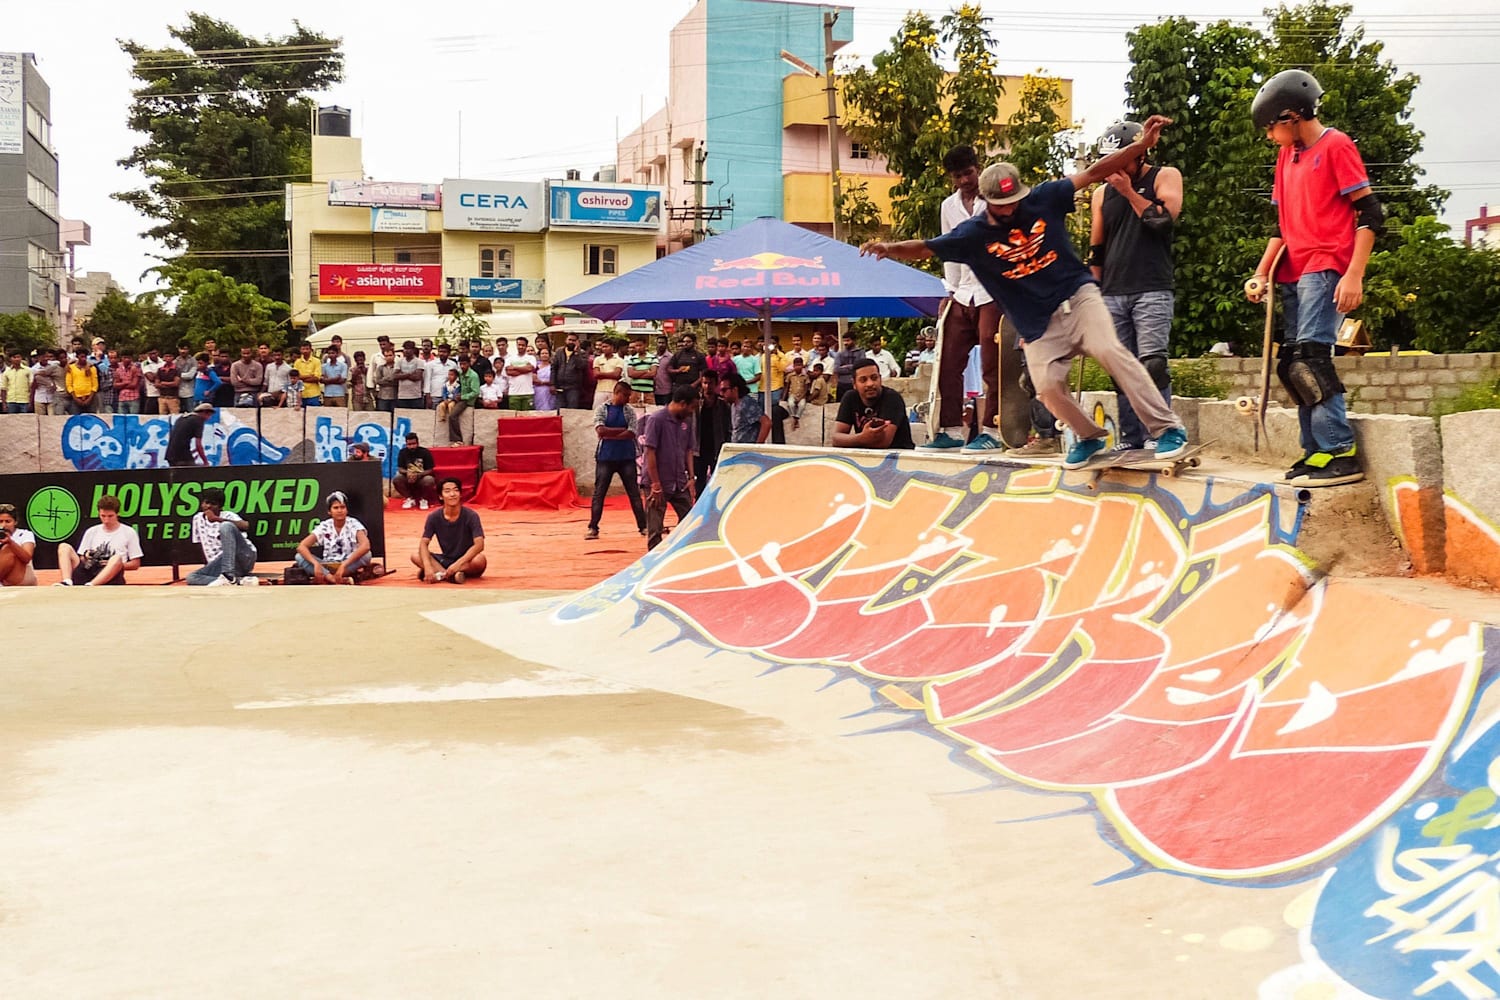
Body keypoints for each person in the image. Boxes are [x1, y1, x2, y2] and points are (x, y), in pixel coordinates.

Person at [860, 115, 1190, 470]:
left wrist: (1140, 146)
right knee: (1046, 386)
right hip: (1037, 323)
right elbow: (927, 247)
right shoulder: (972, 234)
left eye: (1015, 201)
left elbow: (1094, 173)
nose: (1011, 210)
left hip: (1078, 299)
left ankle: (1168, 429)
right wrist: (889, 248)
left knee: (1113, 352)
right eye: (1001, 206)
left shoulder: (1044, 197)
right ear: (987, 202)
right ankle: (1090, 436)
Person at [1247, 69, 1378, 487]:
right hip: (1293, 268)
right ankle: (1316, 451)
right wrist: (1261, 272)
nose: (1270, 137)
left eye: (1272, 127)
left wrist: (1354, 274)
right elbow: (1280, 226)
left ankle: (1340, 451)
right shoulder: (1288, 156)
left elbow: (1372, 213)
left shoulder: (1336, 146)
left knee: (1313, 359)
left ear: (1291, 115)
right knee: (1291, 365)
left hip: (1325, 265)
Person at [1090, 120, 1184, 452]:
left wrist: (1129, 192)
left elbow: (1162, 220)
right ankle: (1131, 437)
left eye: (1120, 159)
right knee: (1120, 368)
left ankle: (1162, 433)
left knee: (1152, 363)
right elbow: (1097, 248)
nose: (1114, 167)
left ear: (1138, 155)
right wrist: (1093, 292)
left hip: (1151, 285)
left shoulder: (1164, 176)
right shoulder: (1101, 193)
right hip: (1113, 289)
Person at [926, 144, 1006, 452]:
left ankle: (993, 431)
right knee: (948, 359)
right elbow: (949, 249)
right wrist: (949, 290)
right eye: (957, 176)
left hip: (993, 290)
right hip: (963, 291)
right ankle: (950, 430)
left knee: (992, 362)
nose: (964, 181)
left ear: (979, 167)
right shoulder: (948, 206)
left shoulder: (998, 197)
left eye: (968, 173)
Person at [586, 380, 649, 540]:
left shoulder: (627, 410)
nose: (628, 399)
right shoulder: (602, 409)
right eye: (626, 395)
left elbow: (631, 433)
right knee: (600, 493)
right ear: (617, 393)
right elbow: (602, 431)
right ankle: (593, 527)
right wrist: (621, 432)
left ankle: (643, 526)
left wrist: (610, 434)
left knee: (633, 494)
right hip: (609, 457)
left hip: (622, 457)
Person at [641, 385, 698, 551]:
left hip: (679, 481)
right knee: (655, 528)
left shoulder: (686, 422)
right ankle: (655, 563)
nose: (692, 411)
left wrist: (691, 478)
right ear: (682, 403)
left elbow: (689, 450)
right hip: (658, 481)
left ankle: (679, 553)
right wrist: (655, 484)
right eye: (692, 407)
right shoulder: (656, 420)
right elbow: (650, 452)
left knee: (690, 520)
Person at [54, 494, 142, 586]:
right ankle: (67, 581)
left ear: (118, 513)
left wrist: (114, 564)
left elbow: (135, 564)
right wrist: (87, 555)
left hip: (111, 573)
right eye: (103, 516)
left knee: (117, 558)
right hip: (89, 569)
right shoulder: (92, 531)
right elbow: (82, 559)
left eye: (110, 516)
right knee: (64, 547)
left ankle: (92, 584)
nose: (106, 520)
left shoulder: (129, 532)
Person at [412, 477, 487, 583]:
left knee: (480, 560)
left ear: (460, 494)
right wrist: (428, 566)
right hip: (446, 559)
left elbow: (479, 545)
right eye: (447, 491)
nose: (452, 494)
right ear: (440, 496)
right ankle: (448, 575)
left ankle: (440, 574)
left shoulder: (471, 515)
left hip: (467, 561)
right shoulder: (433, 517)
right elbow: (424, 543)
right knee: (415, 556)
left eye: (456, 490)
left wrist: (458, 564)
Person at [832, 358, 915, 450]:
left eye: (874, 378)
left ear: (880, 378)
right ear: (854, 383)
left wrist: (856, 440)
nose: (870, 383)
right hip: (866, 457)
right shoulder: (850, 398)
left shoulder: (892, 398)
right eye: (863, 380)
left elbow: (882, 442)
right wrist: (862, 438)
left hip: (898, 457)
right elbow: (836, 439)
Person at [295, 491, 371, 585]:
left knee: (367, 555)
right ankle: (331, 578)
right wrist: (315, 564)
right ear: (329, 511)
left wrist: (344, 564)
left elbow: (366, 546)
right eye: (336, 508)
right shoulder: (325, 526)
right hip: (327, 565)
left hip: (347, 564)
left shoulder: (354, 524)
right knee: (299, 557)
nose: (339, 510)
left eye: (342, 507)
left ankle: (330, 578)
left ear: (347, 510)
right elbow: (301, 546)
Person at [186, 486, 258, 586]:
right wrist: (208, 567)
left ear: (220, 506)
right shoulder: (197, 519)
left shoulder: (227, 515)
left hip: (243, 557)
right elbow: (199, 545)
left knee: (226, 526)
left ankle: (228, 575)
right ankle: (238, 581)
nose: (209, 506)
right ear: (202, 504)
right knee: (192, 578)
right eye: (206, 503)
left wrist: (217, 519)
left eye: (213, 504)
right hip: (219, 562)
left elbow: (246, 525)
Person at [694, 371, 731, 495]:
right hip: (699, 447)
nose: (707, 386)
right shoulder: (696, 403)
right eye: (705, 383)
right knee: (699, 480)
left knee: (717, 480)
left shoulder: (723, 404)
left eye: (710, 383)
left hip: (717, 446)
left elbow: (728, 426)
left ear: (716, 384)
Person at [720, 370, 769, 445]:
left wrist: (758, 447)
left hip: (748, 451)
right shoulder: (733, 405)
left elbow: (766, 422)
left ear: (735, 389)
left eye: (724, 390)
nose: (721, 393)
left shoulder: (747, 403)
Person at [394, 432, 437, 510]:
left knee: (429, 480)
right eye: (409, 444)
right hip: (408, 477)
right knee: (397, 479)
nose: (412, 446)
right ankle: (409, 498)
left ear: (417, 443)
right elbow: (400, 468)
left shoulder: (425, 452)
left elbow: (430, 469)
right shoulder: (403, 452)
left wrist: (418, 475)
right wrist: (408, 473)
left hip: (422, 477)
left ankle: (423, 499)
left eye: (414, 444)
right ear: (406, 444)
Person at [166, 401, 215, 467]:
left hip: (170, 454)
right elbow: (198, 445)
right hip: (183, 456)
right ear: (205, 413)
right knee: (194, 474)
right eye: (209, 415)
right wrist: (205, 462)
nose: (209, 418)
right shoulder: (198, 420)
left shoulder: (182, 417)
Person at [0, 502, 37, 587]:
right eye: (0, 521)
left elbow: (27, 557)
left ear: (15, 522)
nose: (4, 525)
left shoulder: (26, 534)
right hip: (3, 578)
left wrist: (10, 542)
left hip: (23, 576)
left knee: (8, 549)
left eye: (8, 521)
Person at [448, 354, 481, 443]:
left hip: (466, 400)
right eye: (461, 364)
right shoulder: (460, 373)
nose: (462, 366)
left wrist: (462, 397)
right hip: (459, 397)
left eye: (464, 364)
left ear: (469, 364)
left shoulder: (473, 376)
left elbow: (476, 392)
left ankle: (457, 439)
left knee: (452, 416)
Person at [552, 333, 590, 409]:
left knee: (572, 410)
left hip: (573, 388)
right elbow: (553, 368)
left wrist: (576, 353)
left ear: (577, 342)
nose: (571, 342)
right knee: (559, 410)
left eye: (574, 340)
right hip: (559, 386)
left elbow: (581, 366)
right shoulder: (559, 351)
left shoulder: (582, 353)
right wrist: (552, 384)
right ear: (566, 340)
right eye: (569, 340)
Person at [504, 337, 536, 410]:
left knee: (527, 416)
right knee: (515, 417)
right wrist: (524, 369)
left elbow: (530, 368)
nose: (520, 347)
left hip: (528, 392)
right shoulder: (510, 359)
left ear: (526, 346)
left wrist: (514, 367)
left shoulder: (531, 358)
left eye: (523, 345)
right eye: (519, 345)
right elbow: (509, 372)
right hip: (514, 393)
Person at [592, 339, 626, 407]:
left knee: (613, 410)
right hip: (600, 390)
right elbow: (596, 374)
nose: (604, 349)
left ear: (612, 347)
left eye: (606, 346)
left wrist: (601, 374)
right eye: (603, 347)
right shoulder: (597, 359)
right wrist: (611, 374)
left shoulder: (619, 360)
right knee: (597, 410)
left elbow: (617, 375)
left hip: (613, 390)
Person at [623, 337, 656, 406]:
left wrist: (637, 373)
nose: (638, 348)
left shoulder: (653, 358)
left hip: (648, 391)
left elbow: (653, 373)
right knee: (634, 412)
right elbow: (631, 374)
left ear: (645, 345)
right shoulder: (632, 359)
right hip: (635, 391)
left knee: (650, 411)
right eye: (636, 346)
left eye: (640, 345)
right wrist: (646, 371)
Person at [832, 332, 865, 400]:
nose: (845, 343)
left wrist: (846, 366)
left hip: (856, 384)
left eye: (848, 340)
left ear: (854, 340)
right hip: (842, 384)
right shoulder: (840, 354)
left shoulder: (860, 352)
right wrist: (853, 367)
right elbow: (836, 369)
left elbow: (861, 366)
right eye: (844, 341)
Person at [65, 347, 98, 414]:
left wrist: (89, 399)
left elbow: (95, 385)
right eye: (82, 356)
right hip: (76, 398)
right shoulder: (71, 368)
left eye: (85, 356)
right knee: (76, 420)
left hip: (90, 398)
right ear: (77, 357)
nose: (84, 358)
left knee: (90, 420)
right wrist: (76, 399)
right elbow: (69, 385)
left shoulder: (92, 368)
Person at [394, 341, 426, 409]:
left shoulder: (419, 361)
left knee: (416, 416)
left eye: (409, 349)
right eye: (405, 349)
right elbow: (395, 376)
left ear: (413, 350)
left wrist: (402, 374)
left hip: (416, 395)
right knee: (403, 416)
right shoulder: (399, 361)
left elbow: (418, 377)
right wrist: (409, 374)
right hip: (402, 395)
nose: (407, 351)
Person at [784, 355, 811, 428]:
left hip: (802, 395)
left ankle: (796, 418)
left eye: (800, 365)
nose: (798, 367)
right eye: (796, 365)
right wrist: (783, 398)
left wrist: (802, 397)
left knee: (802, 405)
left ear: (802, 366)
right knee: (791, 404)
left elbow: (806, 388)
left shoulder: (805, 376)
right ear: (793, 366)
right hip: (792, 394)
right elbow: (787, 387)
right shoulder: (790, 376)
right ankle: (794, 417)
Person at [533, 345, 557, 411]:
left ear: (549, 355)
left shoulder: (553, 367)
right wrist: (539, 382)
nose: (544, 355)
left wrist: (543, 382)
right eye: (542, 353)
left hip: (550, 390)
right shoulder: (536, 367)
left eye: (546, 353)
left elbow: (555, 379)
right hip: (538, 391)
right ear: (539, 355)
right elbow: (534, 378)